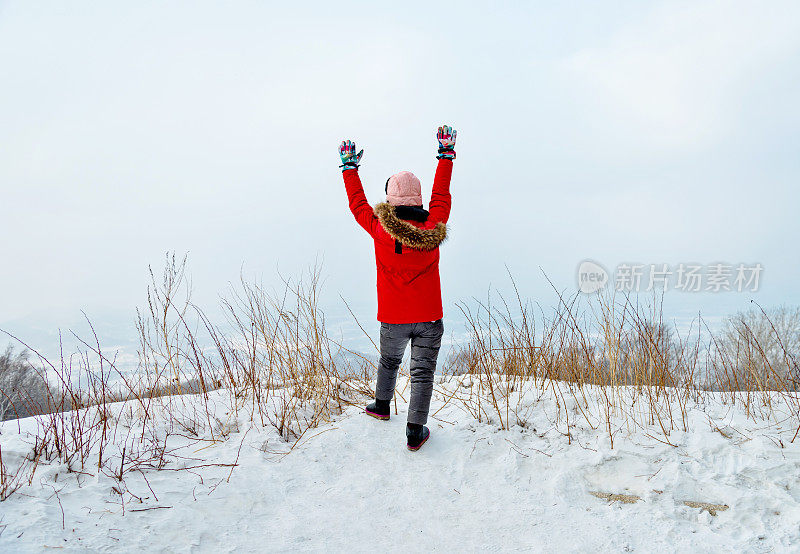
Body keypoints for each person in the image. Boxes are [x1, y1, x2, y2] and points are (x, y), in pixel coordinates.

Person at [338, 125, 456, 451]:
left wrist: (349, 168)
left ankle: (381, 406)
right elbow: (442, 194)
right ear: (418, 198)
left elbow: (357, 203)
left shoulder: (379, 229)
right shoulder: (433, 227)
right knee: (422, 373)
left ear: (390, 198)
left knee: (389, 361)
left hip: (393, 316)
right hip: (429, 317)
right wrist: (446, 155)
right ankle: (415, 432)